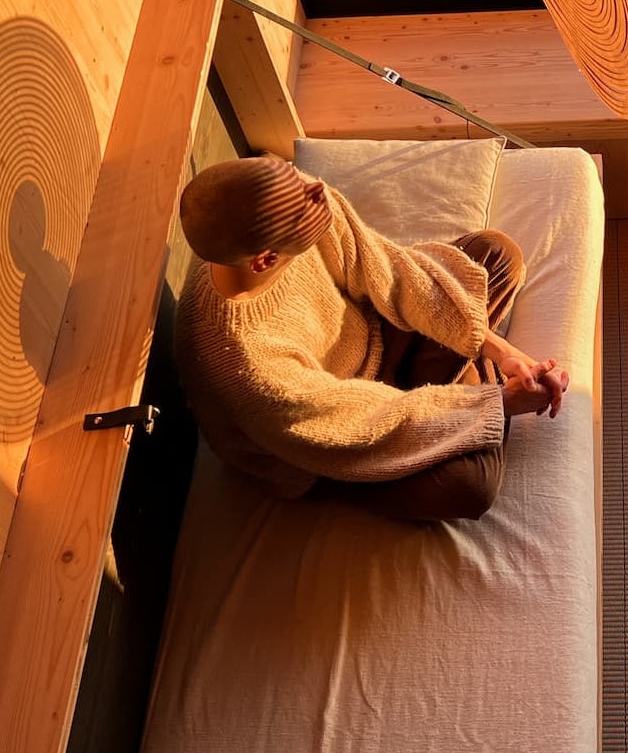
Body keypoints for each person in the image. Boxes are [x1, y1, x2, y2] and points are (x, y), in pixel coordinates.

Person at [173, 156, 568, 522]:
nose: (315, 190)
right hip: (323, 438)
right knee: (470, 488)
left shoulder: (295, 196)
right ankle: (459, 403)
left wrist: (500, 351)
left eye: (292, 174)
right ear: (265, 259)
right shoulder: (245, 363)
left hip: (376, 341)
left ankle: (457, 399)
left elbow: (384, 267)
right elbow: (358, 422)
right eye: (301, 197)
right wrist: (500, 403)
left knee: (498, 255)